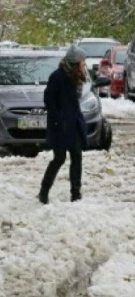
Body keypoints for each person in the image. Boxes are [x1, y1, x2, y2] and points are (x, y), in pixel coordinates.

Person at [38, 45, 88, 204]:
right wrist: (58, 118)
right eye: (81, 61)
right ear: (75, 63)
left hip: (74, 125)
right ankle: (44, 190)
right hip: (60, 126)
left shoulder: (77, 76)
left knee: (77, 157)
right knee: (59, 158)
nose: (84, 64)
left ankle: (76, 192)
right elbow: (49, 100)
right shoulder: (58, 77)